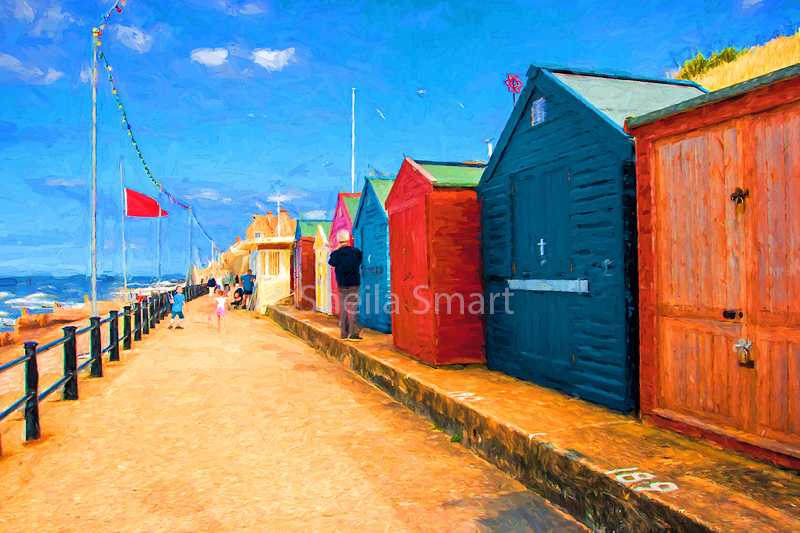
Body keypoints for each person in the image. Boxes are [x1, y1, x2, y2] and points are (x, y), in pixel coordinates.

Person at [328, 229, 363, 340]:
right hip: (354, 284)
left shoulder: (336, 254)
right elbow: (359, 261)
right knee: (353, 307)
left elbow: (331, 262)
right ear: (349, 239)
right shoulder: (355, 252)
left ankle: (344, 333)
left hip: (342, 284)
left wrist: (337, 249)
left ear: (339, 241)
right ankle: (353, 333)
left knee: (343, 307)